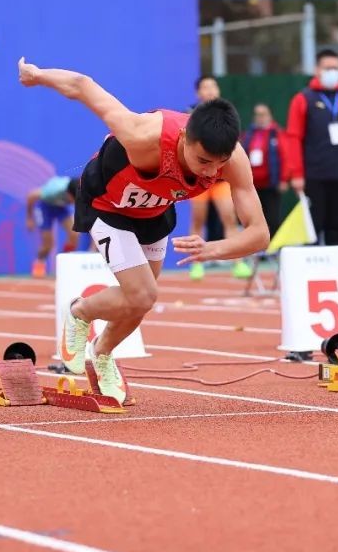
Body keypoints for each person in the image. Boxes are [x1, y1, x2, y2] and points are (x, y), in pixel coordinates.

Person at [17, 57, 270, 403]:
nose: (211, 173)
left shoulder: (233, 161)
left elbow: (259, 234)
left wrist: (215, 249)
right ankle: (80, 312)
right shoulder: (142, 133)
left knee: (139, 304)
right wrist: (38, 75)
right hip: (107, 204)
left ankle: (102, 354)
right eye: (202, 162)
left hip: (154, 211)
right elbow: (83, 86)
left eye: (219, 164)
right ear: (183, 138)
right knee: (144, 295)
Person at [287, 49, 338, 247]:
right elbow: (293, 138)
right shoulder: (303, 99)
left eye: (337, 68)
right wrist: (296, 173)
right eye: (328, 68)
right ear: (317, 70)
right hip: (313, 174)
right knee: (313, 227)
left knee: (336, 226)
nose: (333, 72)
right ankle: (310, 273)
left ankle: (333, 273)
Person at [186, 76, 252, 280]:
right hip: (198, 180)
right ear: (199, 93)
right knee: (198, 220)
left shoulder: (227, 115)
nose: (210, 90)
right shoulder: (190, 115)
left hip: (220, 179)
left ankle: (237, 263)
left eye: (213, 86)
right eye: (205, 87)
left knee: (229, 218)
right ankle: (196, 264)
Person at [240, 104, 291, 238]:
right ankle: (256, 249)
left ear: (270, 116)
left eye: (263, 114)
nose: (260, 118)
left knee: (272, 217)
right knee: (254, 219)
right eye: (257, 115)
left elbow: (286, 156)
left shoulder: (277, 133)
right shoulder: (248, 135)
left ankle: (272, 248)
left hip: (271, 184)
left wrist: (284, 179)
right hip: (252, 186)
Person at [25, 175, 80, 278]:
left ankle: (63, 265)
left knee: (74, 234)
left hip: (61, 207)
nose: (74, 202)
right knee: (48, 244)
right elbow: (31, 196)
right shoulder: (51, 192)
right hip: (45, 207)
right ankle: (39, 263)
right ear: (68, 194)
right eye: (73, 200)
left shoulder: (79, 190)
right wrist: (29, 218)